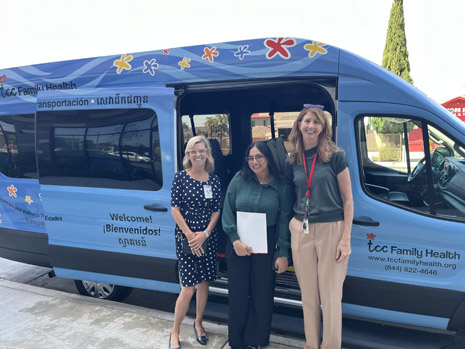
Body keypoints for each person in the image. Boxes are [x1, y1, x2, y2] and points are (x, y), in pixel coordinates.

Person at [285, 104, 353, 349]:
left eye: (317, 122)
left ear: (323, 128)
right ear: (299, 125)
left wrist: (345, 239)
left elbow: (348, 200)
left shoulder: (335, 156)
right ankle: (311, 345)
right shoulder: (292, 159)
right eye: (307, 121)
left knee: (331, 297)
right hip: (301, 228)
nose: (311, 126)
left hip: (331, 230)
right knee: (309, 297)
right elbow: (296, 194)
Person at [222, 141, 293, 349]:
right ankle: (237, 342)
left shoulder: (282, 186)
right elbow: (227, 210)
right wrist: (235, 240)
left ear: (269, 158)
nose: (254, 162)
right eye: (251, 158)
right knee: (237, 295)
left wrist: (283, 253)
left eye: (259, 157)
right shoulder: (239, 179)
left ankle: (257, 341)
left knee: (262, 295)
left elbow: (284, 220)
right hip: (238, 244)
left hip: (266, 244)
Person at [169, 135, 222, 349]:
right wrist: (191, 236)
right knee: (188, 288)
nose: (197, 155)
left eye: (201, 150)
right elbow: (175, 209)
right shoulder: (180, 178)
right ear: (188, 155)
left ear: (207, 153)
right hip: (187, 240)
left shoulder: (213, 180)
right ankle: (175, 331)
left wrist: (205, 234)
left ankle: (198, 323)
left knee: (203, 284)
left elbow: (216, 210)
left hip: (206, 240)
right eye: (193, 151)